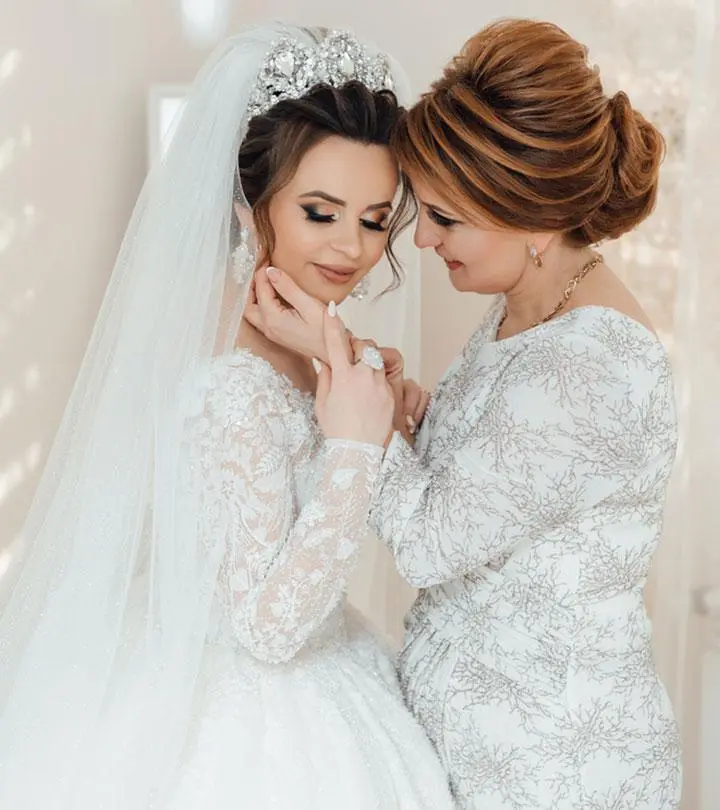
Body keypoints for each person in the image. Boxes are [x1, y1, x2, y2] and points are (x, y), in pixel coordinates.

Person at [0, 24, 455, 810]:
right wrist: (353, 449)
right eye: (321, 212)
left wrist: (355, 376)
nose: (352, 246)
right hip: (254, 718)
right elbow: (269, 629)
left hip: (332, 664)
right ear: (249, 203)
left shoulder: (295, 328)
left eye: (376, 219)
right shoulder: (232, 380)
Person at [249, 17, 683, 810]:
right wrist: (412, 416)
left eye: (446, 219)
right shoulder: (535, 304)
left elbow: (426, 542)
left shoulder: (589, 367)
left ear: (534, 217)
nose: (421, 243)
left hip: (552, 770)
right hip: (480, 752)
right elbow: (498, 490)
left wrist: (333, 360)